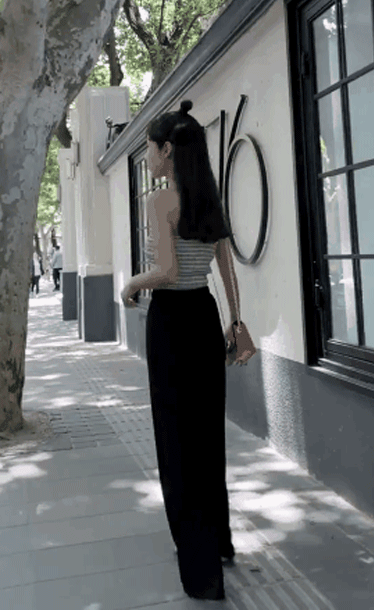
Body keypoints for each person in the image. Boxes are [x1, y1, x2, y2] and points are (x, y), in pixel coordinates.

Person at [121, 99, 241, 601]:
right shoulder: (208, 196)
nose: (148, 157)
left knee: (177, 442)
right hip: (206, 317)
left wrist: (132, 284)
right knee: (207, 438)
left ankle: (201, 572)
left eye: (150, 149)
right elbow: (226, 265)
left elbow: (167, 274)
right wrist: (236, 320)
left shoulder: (160, 201)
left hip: (171, 323)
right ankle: (220, 543)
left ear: (167, 150)